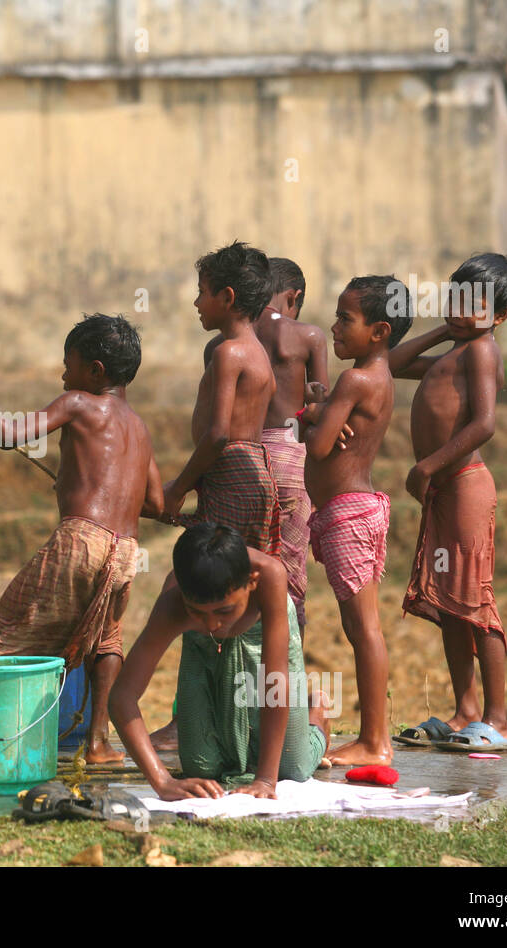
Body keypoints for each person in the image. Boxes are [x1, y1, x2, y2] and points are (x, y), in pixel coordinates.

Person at [0, 313, 161, 764]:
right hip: (126, 550)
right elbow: (155, 502)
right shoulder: (140, 427)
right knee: (106, 641)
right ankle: (98, 742)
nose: (62, 374)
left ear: (95, 371)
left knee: (1, 633)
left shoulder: (78, 403)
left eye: (68, 364)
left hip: (80, 540)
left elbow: (8, 436)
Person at [149, 241, 285, 751]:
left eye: (202, 293)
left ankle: (193, 721)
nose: (196, 303)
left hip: (230, 475)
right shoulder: (257, 352)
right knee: (236, 600)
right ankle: (232, 719)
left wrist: (177, 488)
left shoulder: (229, 353)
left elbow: (216, 435)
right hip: (250, 477)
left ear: (227, 297)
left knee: (206, 588)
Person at [388, 253, 507, 752]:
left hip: (463, 483)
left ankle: (499, 719)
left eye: (476, 303)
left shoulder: (482, 352)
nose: (463, 309)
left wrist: (427, 465)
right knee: (450, 604)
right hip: (445, 491)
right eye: (456, 297)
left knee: (475, 600)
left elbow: (484, 423)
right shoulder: (454, 352)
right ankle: (466, 711)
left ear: (499, 316)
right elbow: (389, 363)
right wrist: (442, 331)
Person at [108, 524, 329, 800]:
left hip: (263, 644)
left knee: (292, 767)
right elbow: (122, 697)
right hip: (202, 648)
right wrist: (162, 781)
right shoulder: (174, 603)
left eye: (225, 610)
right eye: (197, 612)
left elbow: (275, 682)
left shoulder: (270, 576)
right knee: (201, 768)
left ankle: (316, 716)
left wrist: (265, 780)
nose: (212, 623)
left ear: (252, 581)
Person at [298, 275, 412, 766]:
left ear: (380, 331)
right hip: (349, 512)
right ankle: (372, 735)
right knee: (358, 627)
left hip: (347, 512)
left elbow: (321, 446)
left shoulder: (355, 380)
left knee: (365, 629)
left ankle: (375, 740)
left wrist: (310, 417)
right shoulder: (378, 378)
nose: (335, 327)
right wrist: (323, 410)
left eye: (346, 319)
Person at [253, 256, 328, 637]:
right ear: (293, 296)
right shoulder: (309, 336)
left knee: (246, 567)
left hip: (244, 456)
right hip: (289, 456)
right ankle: (288, 661)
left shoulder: (230, 338)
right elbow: (319, 410)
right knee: (290, 569)